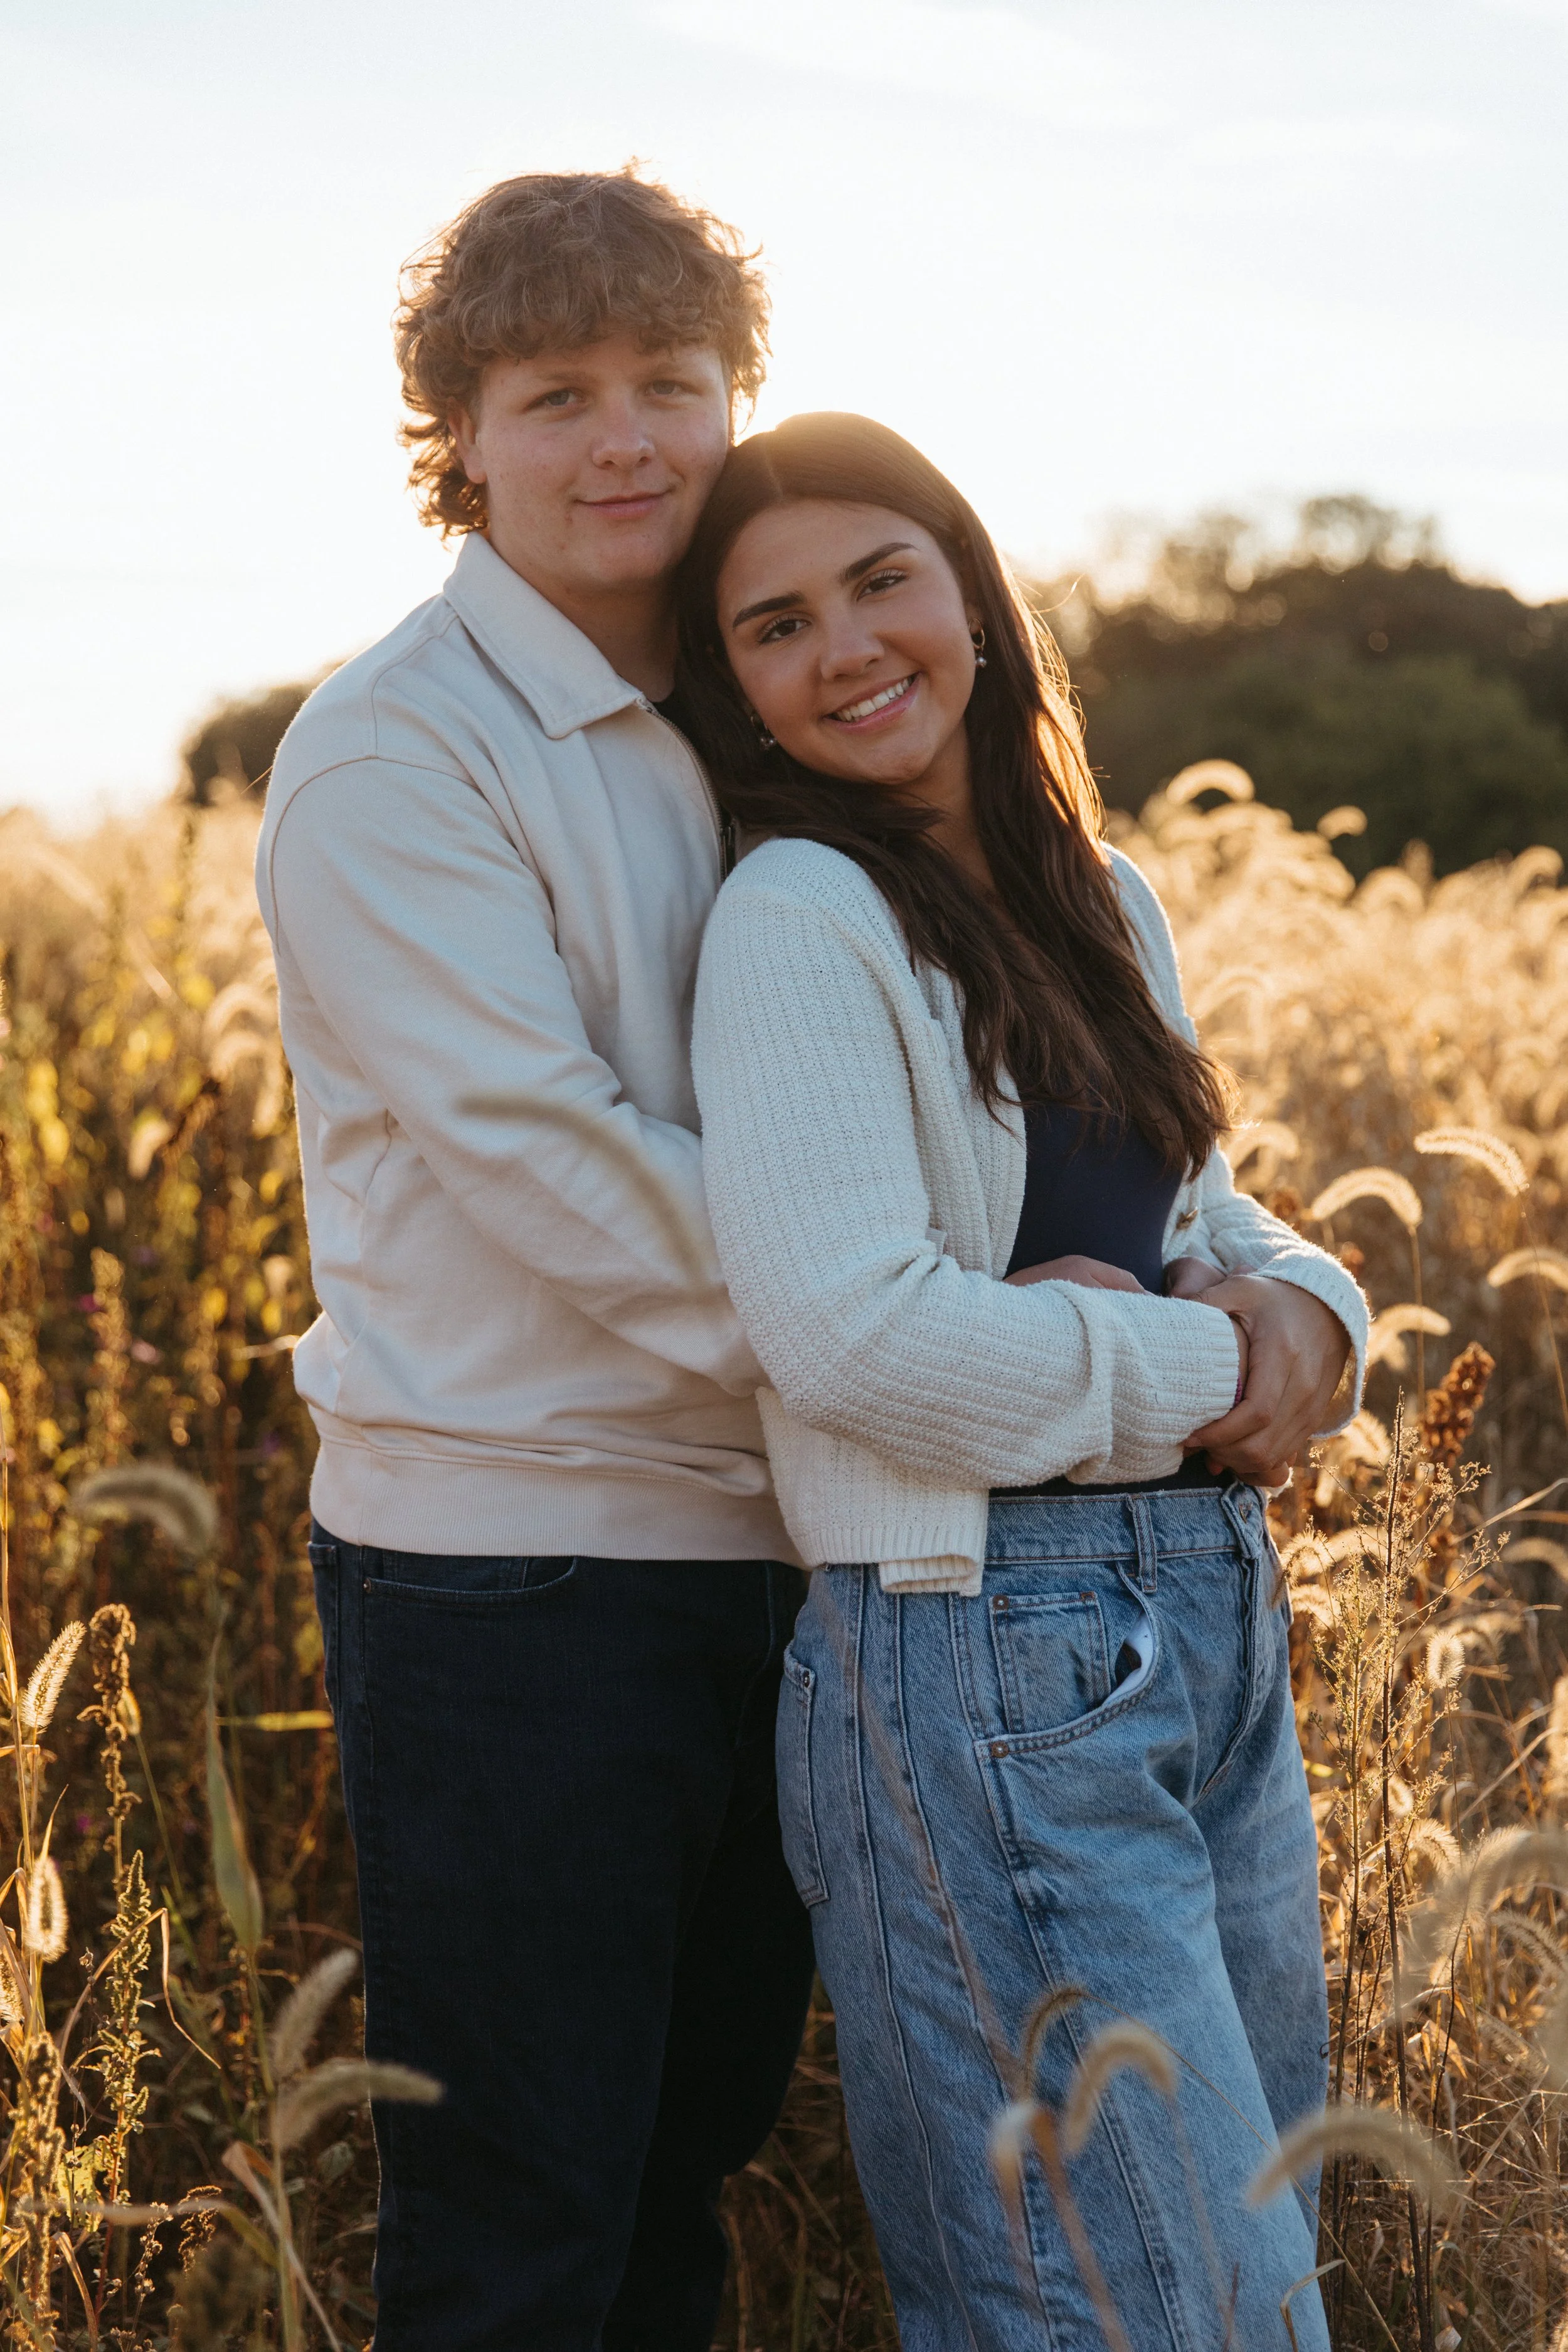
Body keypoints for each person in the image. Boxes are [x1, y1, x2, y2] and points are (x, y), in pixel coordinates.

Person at [681, 412, 1369, 2351]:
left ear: (973, 593)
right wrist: (1182, 1361)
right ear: (733, 686)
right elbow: (857, 1336)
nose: (844, 646)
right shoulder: (797, 916)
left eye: (879, 581)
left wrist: (1314, 1315)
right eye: (773, 624)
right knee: (1162, 2306)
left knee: (1242, 2254)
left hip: (1204, 1623)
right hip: (977, 1653)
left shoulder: (1098, 892)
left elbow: (1199, 1214)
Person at [253, 171, 815, 2352]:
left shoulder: (787, 688)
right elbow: (549, 1162)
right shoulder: (395, 753)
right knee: (520, 2225)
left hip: (783, 1547)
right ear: (457, 435)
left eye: (671, 382)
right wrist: (931, 1358)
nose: (625, 439)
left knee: (678, 2182)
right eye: (554, 391)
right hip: (514, 1578)